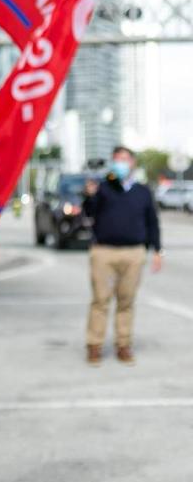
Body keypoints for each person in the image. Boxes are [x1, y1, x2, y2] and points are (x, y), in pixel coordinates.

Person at [83, 145, 162, 366]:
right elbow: (89, 213)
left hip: (134, 252)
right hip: (104, 252)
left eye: (124, 159)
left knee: (126, 301)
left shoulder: (143, 191)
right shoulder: (103, 188)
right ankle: (94, 345)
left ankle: (123, 345)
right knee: (100, 300)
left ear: (132, 162)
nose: (120, 163)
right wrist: (89, 195)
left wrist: (157, 249)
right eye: (116, 159)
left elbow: (152, 222)